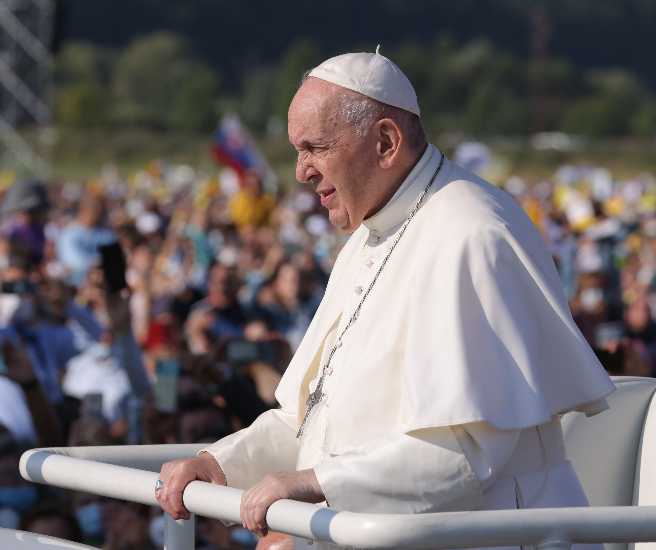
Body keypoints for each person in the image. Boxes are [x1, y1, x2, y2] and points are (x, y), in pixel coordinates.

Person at [156, 50, 615, 550]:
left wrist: (316, 489)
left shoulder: (471, 232)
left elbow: (465, 451)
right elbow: (312, 419)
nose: (300, 173)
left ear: (385, 142)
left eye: (315, 148)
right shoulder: (368, 235)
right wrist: (219, 464)